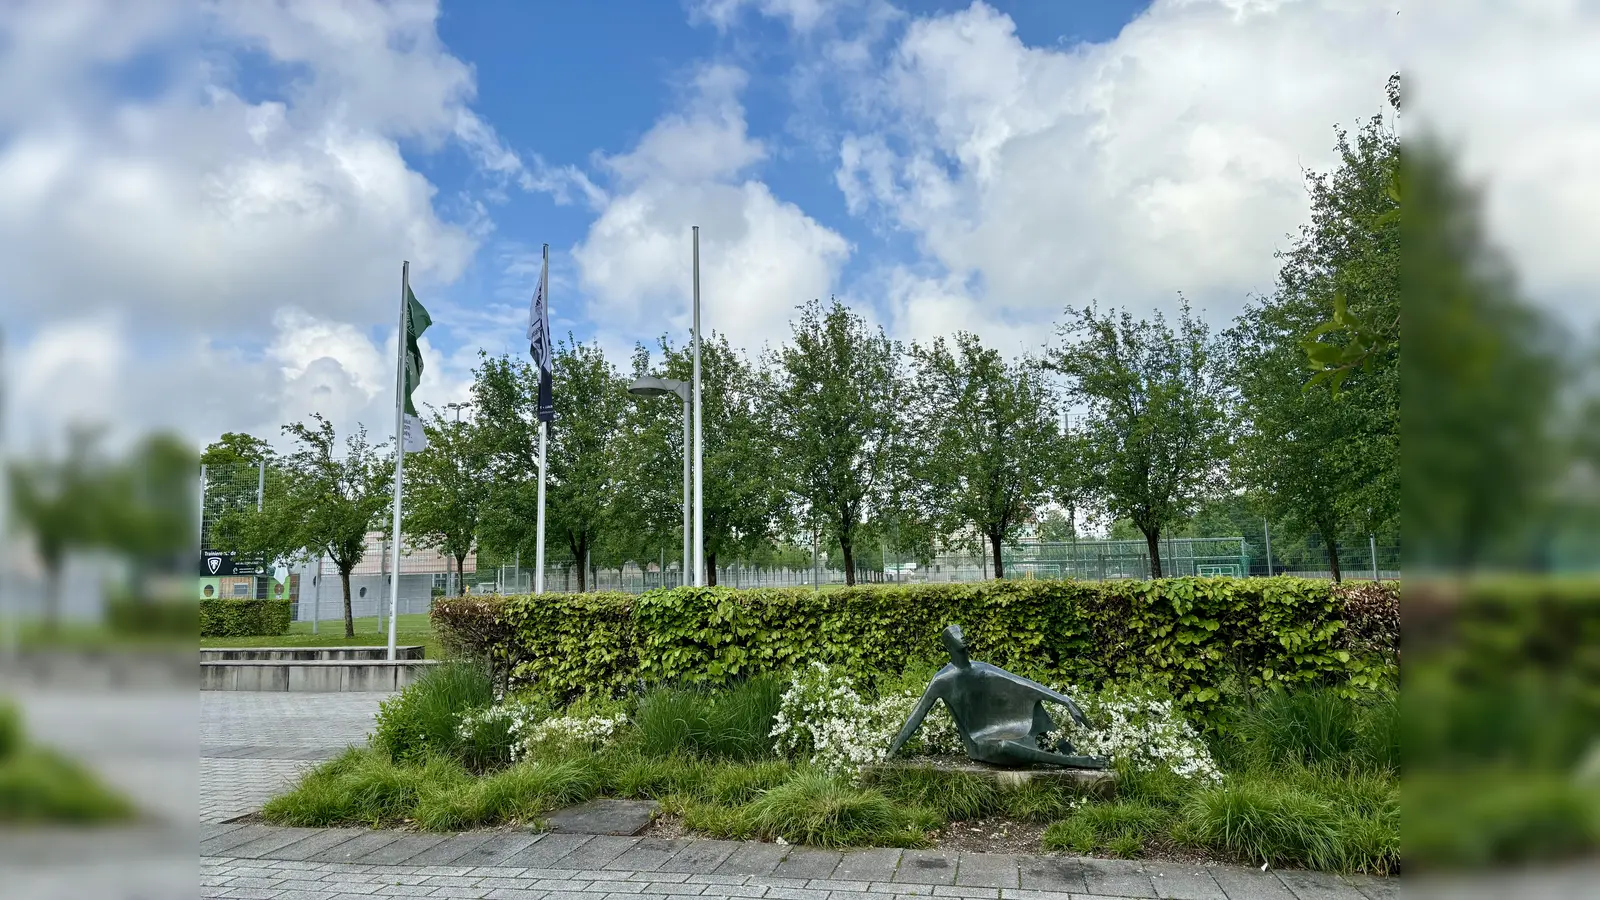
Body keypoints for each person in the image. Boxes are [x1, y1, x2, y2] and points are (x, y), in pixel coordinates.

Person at [887, 624, 1109, 768]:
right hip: (980, 742)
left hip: (1005, 730)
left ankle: (1071, 752)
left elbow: (1023, 684)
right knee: (1004, 746)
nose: (962, 637)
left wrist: (1065, 700)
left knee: (1034, 707)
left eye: (962, 632)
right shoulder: (942, 680)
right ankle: (1079, 762)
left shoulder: (981, 669)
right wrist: (890, 754)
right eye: (955, 635)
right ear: (948, 645)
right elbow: (916, 716)